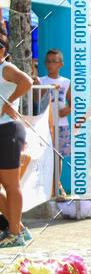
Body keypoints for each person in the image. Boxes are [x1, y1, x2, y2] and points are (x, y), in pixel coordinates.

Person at [0, 32, 34, 247]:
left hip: (8, 130)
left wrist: (10, 102)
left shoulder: (5, 68)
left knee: (11, 185)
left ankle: (15, 233)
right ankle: (18, 228)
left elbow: (27, 82)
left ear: (2, 50)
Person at [36, 49, 72, 171]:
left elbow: (72, 104)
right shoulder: (41, 81)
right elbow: (36, 100)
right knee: (44, 155)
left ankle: (56, 185)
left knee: (58, 156)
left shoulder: (66, 82)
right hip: (44, 124)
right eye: (48, 62)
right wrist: (47, 88)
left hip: (61, 124)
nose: (50, 65)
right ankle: (47, 186)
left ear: (60, 64)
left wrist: (66, 111)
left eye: (53, 62)